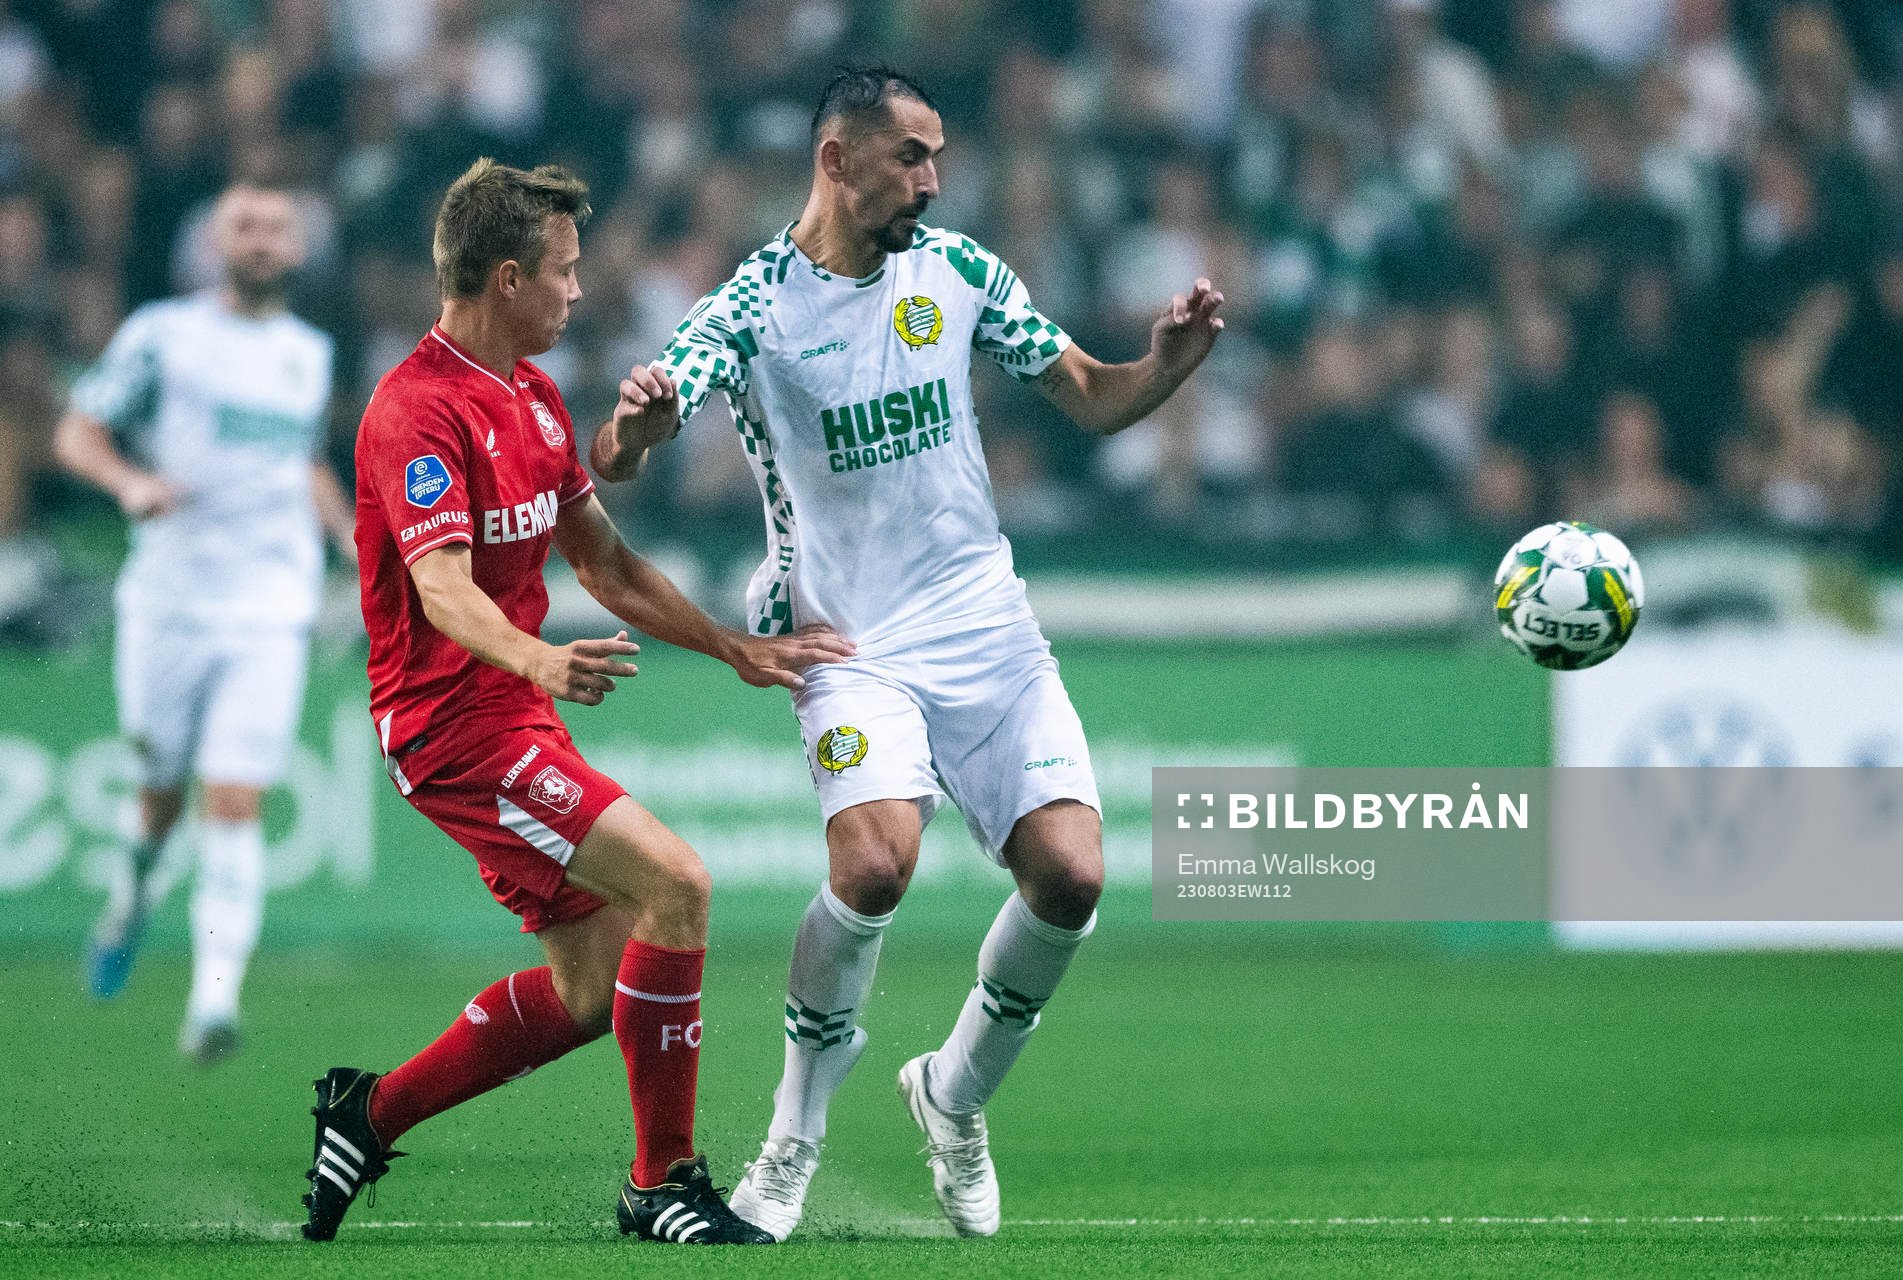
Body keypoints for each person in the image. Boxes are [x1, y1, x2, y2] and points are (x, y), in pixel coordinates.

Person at [590, 66, 1226, 1239]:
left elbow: (1087, 393)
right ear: (838, 161)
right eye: (912, 158)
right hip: (845, 636)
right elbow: (629, 445)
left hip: (985, 624)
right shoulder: (753, 304)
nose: (933, 181)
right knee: (875, 863)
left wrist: (1165, 368)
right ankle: (791, 1142)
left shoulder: (961, 272)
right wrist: (630, 428)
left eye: (937, 157)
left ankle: (952, 1091)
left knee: (1074, 876)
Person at [303, 158, 852, 1247]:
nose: (579, 289)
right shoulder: (414, 412)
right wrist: (542, 661)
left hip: (512, 710)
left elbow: (606, 565)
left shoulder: (537, 399)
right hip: (450, 727)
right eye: (564, 270)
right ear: (507, 279)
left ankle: (370, 1112)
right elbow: (442, 588)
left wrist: (730, 645)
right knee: (679, 885)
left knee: (593, 985)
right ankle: (662, 1182)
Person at [55, 182, 354, 1064]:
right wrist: (129, 483)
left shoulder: (309, 352)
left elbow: (296, 462)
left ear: (299, 249)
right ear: (214, 243)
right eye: (244, 227)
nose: (260, 242)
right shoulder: (164, 334)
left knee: (234, 799)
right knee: (157, 801)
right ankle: (130, 902)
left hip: (269, 605)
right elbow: (78, 431)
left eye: (276, 228)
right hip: (170, 601)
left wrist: (344, 532)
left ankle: (214, 1001)